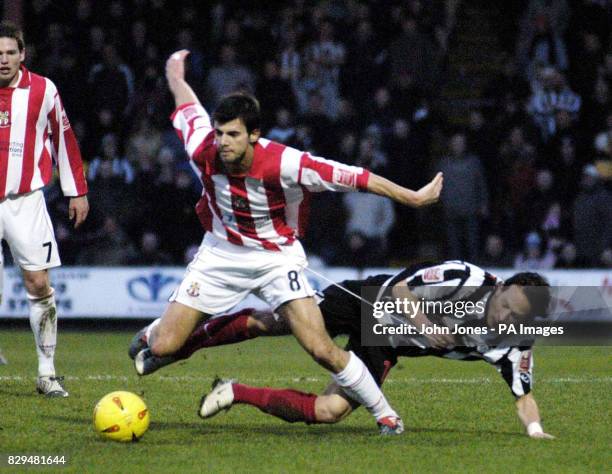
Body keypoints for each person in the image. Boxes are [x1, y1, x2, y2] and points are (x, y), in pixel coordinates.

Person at [129, 49, 444, 435]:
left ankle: (386, 415)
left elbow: (356, 177)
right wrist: (175, 75)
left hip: (277, 258)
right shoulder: (203, 149)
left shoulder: (287, 164)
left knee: (320, 347)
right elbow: (187, 106)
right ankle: (154, 331)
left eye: (233, 135)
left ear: (255, 135)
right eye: (219, 133)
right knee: (162, 347)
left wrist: (412, 197)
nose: (223, 142)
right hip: (220, 252)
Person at [140, 260, 553, 439]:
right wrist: (427, 326)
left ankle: (234, 390)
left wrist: (535, 431)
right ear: (500, 288)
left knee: (329, 413)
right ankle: (173, 344)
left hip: (385, 343)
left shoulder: (515, 341)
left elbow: (523, 395)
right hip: (367, 301)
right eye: (505, 306)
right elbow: (399, 287)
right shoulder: (464, 277)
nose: (504, 318)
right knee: (271, 323)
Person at [0, 22, 89, 396]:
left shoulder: (43, 89)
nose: (2, 60)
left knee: (38, 283)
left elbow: (64, 137)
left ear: (22, 54)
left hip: (25, 200)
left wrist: (77, 191)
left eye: (9, 52)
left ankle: (46, 373)